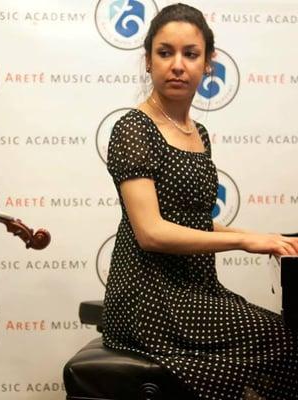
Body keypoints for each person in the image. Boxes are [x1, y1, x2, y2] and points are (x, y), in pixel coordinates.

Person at [103, 4, 298, 400]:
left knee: (282, 337)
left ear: (208, 63)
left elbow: (191, 221)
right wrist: (244, 242)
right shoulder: (132, 128)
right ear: (147, 61)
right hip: (148, 298)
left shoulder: (199, 132)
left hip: (196, 288)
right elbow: (153, 232)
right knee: (282, 341)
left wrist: (266, 237)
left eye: (190, 54)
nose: (177, 65)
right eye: (165, 52)